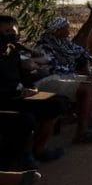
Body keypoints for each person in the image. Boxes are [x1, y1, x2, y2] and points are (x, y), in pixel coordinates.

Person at [0, 15, 68, 162]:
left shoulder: (12, 51)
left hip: (21, 95)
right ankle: (17, 160)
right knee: (25, 118)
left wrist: (31, 89)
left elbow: (23, 77)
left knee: (58, 101)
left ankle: (39, 149)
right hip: (5, 100)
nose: (11, 34)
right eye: (6, 32)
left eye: (13, 30)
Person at [36, 17, 92, 98]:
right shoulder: (44, 46)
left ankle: (91, 102)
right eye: (66, 28)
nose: (69, 30)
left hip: (73, 71)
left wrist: (86, 70)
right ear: (57, 31)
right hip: (56, 76)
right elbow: (52, 68)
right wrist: (77, 72)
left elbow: (83, 53)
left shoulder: (64, 42)